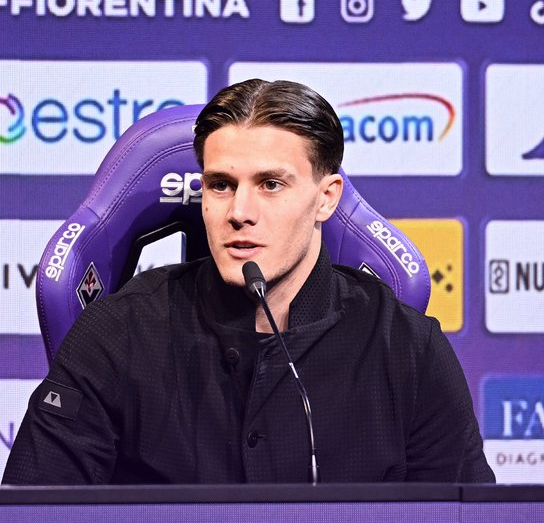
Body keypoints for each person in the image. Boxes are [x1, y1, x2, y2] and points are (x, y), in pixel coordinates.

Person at [2, 79, 495, 485]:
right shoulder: (115, 333)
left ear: (326, 198)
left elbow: (463, 517)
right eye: (220, 185)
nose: (239, 212)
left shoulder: (408, 347)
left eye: (270, 184)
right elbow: (35, 509)